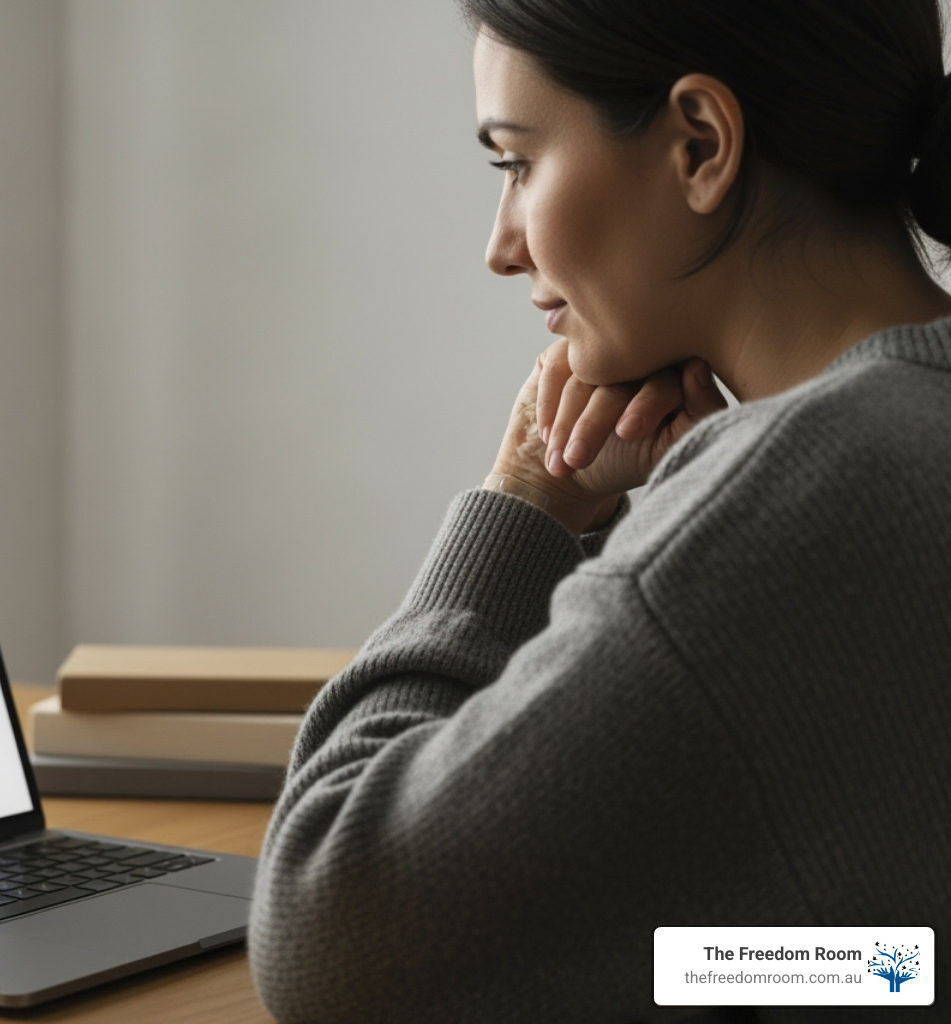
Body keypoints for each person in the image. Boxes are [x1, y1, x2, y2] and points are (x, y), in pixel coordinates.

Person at [249, 2, 951, 1021]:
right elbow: (905, 963)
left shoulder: (803, 503)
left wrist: (524, 501)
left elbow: (328, 937)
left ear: (700, 146)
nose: (500, 246)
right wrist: (695, 968)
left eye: (517, 164)